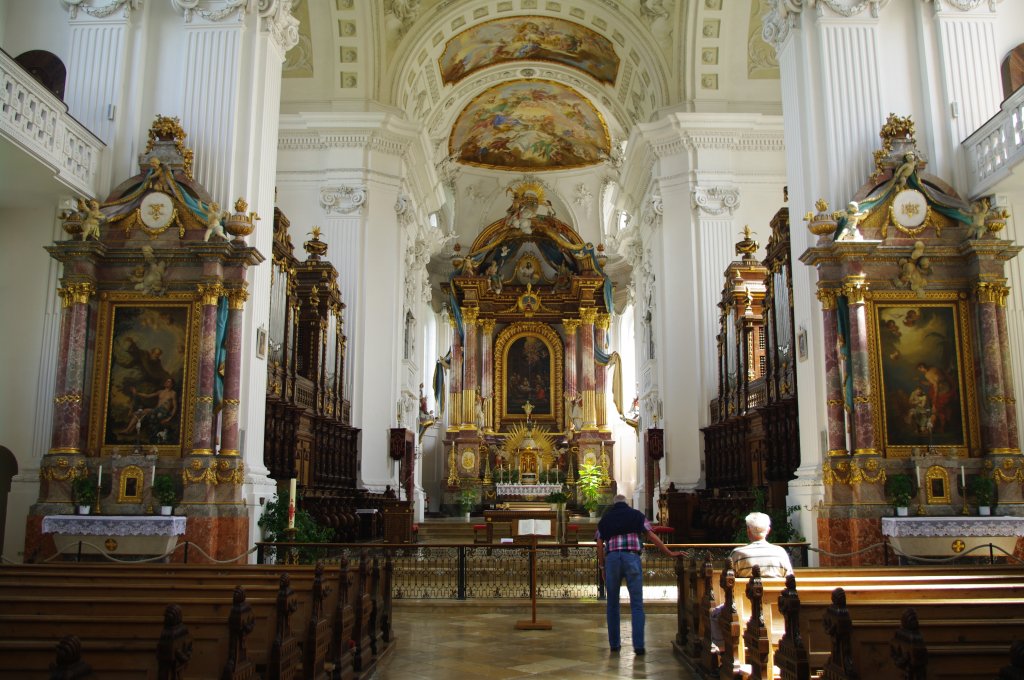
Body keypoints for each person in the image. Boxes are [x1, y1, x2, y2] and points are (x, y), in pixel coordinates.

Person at [595, 494, 683, 654]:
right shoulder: (637, 515)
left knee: (612, 605)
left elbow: (599, 544)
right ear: (626, 504)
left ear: (614, 504)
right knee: (636, 604)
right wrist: (669, 553)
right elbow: (651, 535)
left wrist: (602, 566)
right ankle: (639, 646)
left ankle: (614, 644)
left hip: (613, 559)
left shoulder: (606, 519)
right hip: (631, 558)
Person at [710, 512, 793, 649]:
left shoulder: (739, 554)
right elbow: (790, 579)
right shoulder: (780, 553)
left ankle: (722, 650)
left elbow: (727, 582)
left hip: (744, 608)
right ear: (768, 531)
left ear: (748, 531)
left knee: (714, 614)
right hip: (779, 608)